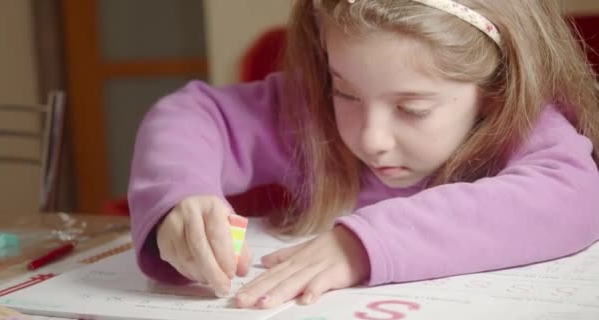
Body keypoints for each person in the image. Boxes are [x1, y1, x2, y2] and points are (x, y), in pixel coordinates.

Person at [128, 0, 599, 309]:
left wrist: (361, 245)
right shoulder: (308, 113)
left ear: (493, 90)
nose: (372, 138)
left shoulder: (518, 123)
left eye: (412, 108)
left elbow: (574, 195)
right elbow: (195, 115)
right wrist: (180, 198)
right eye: (346, 93)